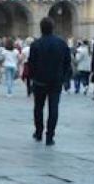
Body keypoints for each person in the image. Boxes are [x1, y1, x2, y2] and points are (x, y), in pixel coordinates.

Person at [28, 17, 72, 146]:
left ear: (41, 28)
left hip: (39, 81)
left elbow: (31, 64)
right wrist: (64, 78)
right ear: (53, 28)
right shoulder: (62, 43)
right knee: (53, 108)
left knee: (38, 108)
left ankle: (38, 132)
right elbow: (67, 63)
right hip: (56, 81)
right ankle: (50, 136)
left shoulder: (35, 44)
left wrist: (32, 78)